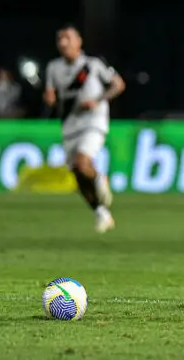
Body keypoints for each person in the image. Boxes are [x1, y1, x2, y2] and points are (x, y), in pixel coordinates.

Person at [44, 25, 126, 233]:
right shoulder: (53, 68)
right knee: (78, 176)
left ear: (79, 41)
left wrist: (98, 100)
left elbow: (118, 84)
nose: (64, 43)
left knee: (83, 162)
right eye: (60, 39)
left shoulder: (93, 65)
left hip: (93, 122)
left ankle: (99, 178)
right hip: (69, 125)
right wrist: (50, 98)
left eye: (68, 38)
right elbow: (50, 94)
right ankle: (101, 212)